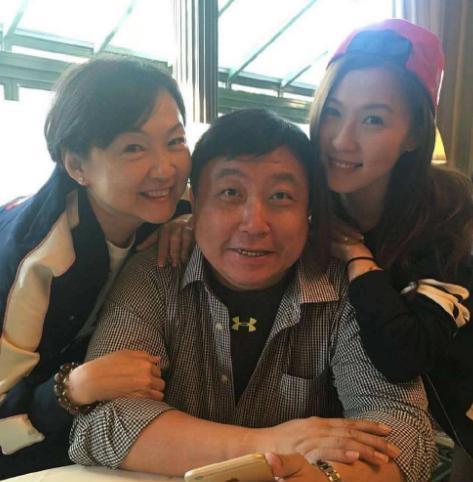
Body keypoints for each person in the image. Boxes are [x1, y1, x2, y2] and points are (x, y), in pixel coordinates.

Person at [70, 108, 435, 482]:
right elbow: (103, 420)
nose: (255, 224)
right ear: (194, 203)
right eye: (230, 193)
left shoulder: (345, 292)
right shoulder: (156, 272)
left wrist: (323, 477)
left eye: (280, 196)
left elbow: (404, 430)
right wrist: (269, 445)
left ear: (309, 210)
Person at [0, 55, 191, 477]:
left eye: (175, 140)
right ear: (76, 166)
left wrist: (192, 221)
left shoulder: (174, 206)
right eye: (133, 148)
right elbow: (3, 422)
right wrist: (74, 387)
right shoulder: (35, 258)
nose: (165, 168)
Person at [308, 18, 473, 477]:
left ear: (415, 135)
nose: (341, 140)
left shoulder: (450, 225)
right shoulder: (306, 202)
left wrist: (358, 258)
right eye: (333, 112)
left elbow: (405, 355)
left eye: (373, 119)